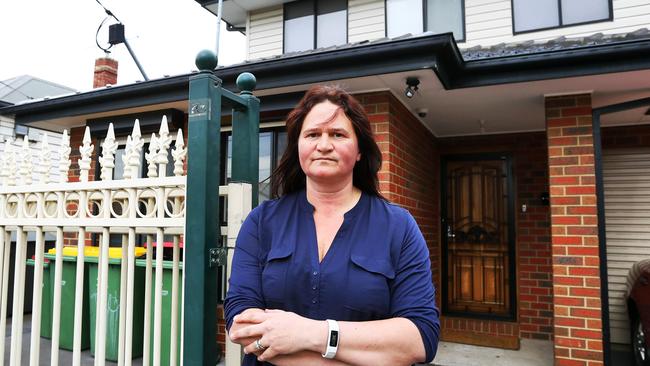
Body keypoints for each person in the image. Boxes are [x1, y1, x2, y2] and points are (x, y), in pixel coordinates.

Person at [224, 85, 440, 365]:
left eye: (338, 134)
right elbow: (241, 324)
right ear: (298, 146)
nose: (323, 145)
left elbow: (420, 337)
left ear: (360, 150)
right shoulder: (262, 222)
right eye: (312, 134)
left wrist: (311, 335)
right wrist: (361, 354)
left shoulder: (399, 227)